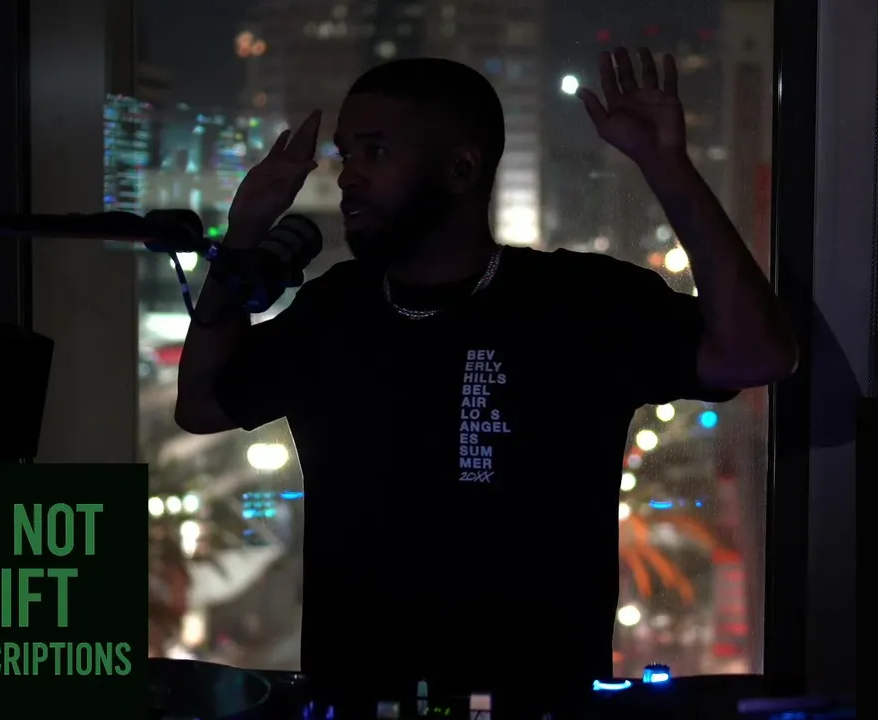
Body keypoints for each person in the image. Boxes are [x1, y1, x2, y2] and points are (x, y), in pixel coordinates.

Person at [175, 49, 796, 714]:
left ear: (462, 169)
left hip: (539, 702)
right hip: (355, 700)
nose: (348, 176)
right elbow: (202, 404)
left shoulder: (578, 303)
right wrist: (244, 230)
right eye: (346, 154)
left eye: (376, 151)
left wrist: (668, 168)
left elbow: (754, 356)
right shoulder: (335, 310)